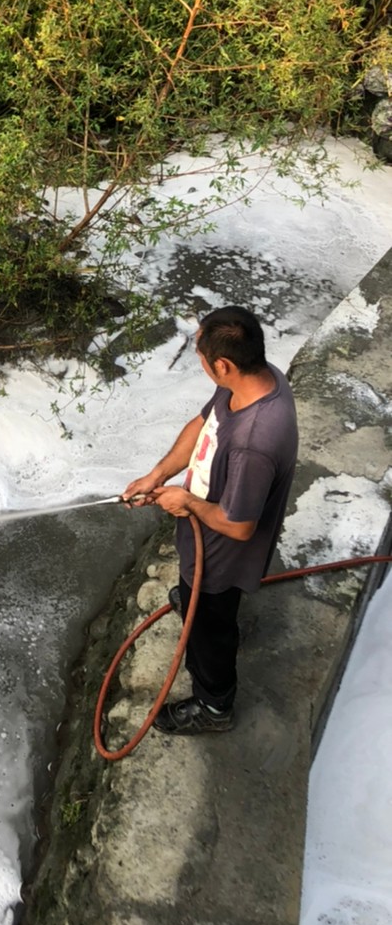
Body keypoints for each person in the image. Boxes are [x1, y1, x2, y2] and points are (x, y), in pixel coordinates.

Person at [123, 305, 298, 735]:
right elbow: (204, 424)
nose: (201, 365)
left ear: (223, 364)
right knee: (200, 602)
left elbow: (239, 526)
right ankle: (198, 603)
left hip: (220, 554)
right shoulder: (253, 379)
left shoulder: (255, 441)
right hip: (206, 534)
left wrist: (188, 504)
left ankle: (214, 705)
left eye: (202, 359)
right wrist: (158, 475)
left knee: (208, 635)